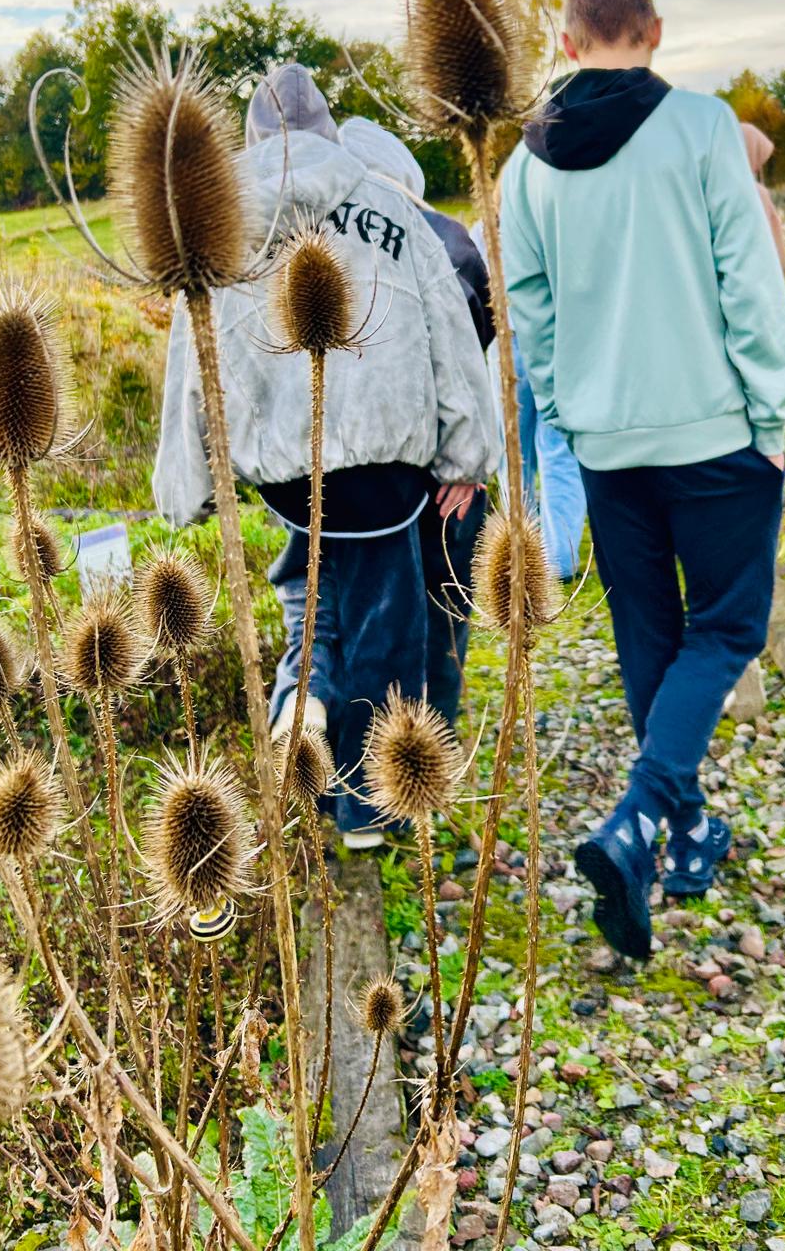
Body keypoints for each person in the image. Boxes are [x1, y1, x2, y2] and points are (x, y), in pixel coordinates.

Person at [500, 0, 785, 960]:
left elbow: (530, 308)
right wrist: (771, 412)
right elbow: (747, 282)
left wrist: (567, 406)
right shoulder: (702, 129)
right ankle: (636, 823)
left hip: (607, 444)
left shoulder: (525, 165)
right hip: (713, 432)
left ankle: (686, 828)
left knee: (648, 634)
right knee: (726, 625)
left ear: (570, 44)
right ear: (655, 32)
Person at [154, 65, 498, 850]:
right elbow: (449, 334)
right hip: (386, 464)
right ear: (329, 132)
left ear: (253, 140)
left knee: (312, 587)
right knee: (389, 621)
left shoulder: (221, 224)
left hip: (284, 465)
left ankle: (301, 709)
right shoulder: (388, 207)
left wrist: (188, 480)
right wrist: (465, 453)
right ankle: (369, 808)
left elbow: (190, 355)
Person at [336, 115, 492, 728]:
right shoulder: (447, 241)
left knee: (366, 621)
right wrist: (467, 461)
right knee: (444, 612)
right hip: (440, 469)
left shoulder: (329, 239)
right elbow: (473, 358)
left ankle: (378, 753)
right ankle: (433, 743)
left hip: (362, 475)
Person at [470, 219, 588, 583]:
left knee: (514, 451)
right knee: (556, 450)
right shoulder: (557, 217)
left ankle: (525, 550)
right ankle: (557, 556)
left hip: (510, 337)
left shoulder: (487, 227)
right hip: (556, 336)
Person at [740, 122, 785, 273]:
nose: (759, 166)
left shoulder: (713, 191)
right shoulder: (756, 193)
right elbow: (773, 233)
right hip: (759, 274)